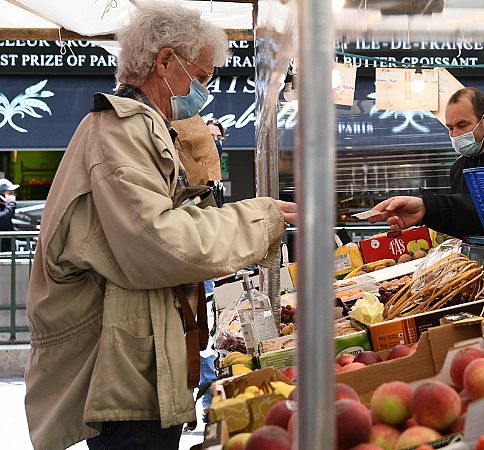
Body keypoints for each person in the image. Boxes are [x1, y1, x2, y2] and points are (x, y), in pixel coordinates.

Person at [24, 4, 296, 450]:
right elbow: (161, 242)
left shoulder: (144, 126)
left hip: (135, 354)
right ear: (165, 61)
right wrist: (260, 219)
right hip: (121, 365)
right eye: (202, 77)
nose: (204, 91)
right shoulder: (120, 129)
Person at [369, 87, 484, 236]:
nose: (455, 135)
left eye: (462, 125)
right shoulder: (458, 167)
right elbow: (462, 219)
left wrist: (428, 207)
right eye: (450, 128)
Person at [0, 178, 18, 252]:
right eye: (10, 193)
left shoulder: (4, 207)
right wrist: (11, 205)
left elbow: (9, 228)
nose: (13, 196)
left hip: (7, 251)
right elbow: (2, 219)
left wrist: (32, 237)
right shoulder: (6, 208)